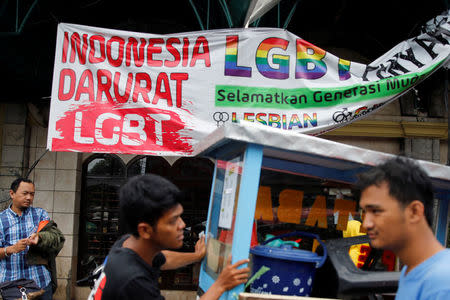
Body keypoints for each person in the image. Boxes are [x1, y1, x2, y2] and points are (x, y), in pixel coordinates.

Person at [89, 174, 250, 300]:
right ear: (145, 230)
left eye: (180, 216)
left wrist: (196, 256)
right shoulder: (134, 281)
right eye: (173, 220)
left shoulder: (127, 244)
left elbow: (163, 258)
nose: (182, 225)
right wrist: (220, 285)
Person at [357, 156, 450, 299]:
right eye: (365, 212)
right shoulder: (412, 270)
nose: (366, 224)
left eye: (376, 211)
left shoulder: (442, 283)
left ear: (414, 212)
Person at [0, 178, 65, 299]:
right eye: (25, 193)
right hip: (10, 286)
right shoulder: (1, 220)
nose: (29, 197)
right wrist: (11, 249)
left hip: (40, 283)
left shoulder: (40, 214)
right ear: (12, 194)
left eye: (32, 194)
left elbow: (56, 238)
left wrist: (40, 237)